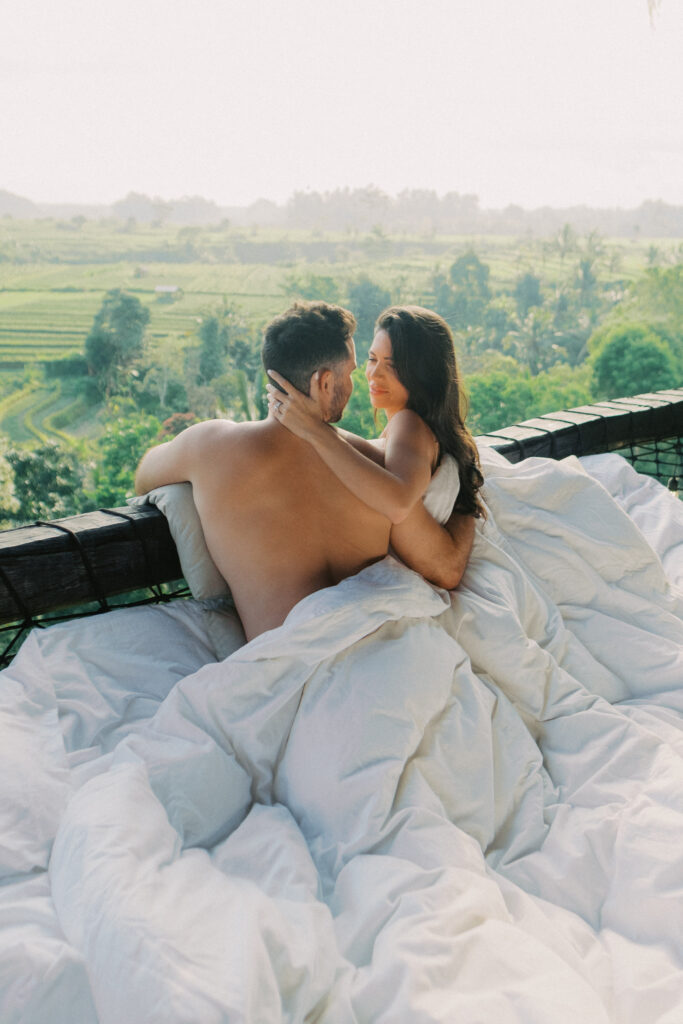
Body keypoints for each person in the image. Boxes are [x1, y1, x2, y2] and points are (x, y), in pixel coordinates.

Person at [135, 301, 475, 642]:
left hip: (290, 660)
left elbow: (144, 478)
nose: (364, 379)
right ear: (325, 382)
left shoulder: (208, 446)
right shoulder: (372, 465)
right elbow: (441, 561)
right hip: (381, 643)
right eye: (356, 370)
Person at [266, 304, 485, 571]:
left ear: (424, 373)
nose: (374, 374)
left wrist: (314, 429)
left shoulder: (408, 424)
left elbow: (398, 503)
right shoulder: (411, 429)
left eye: (392, 365)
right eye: (372, 359)